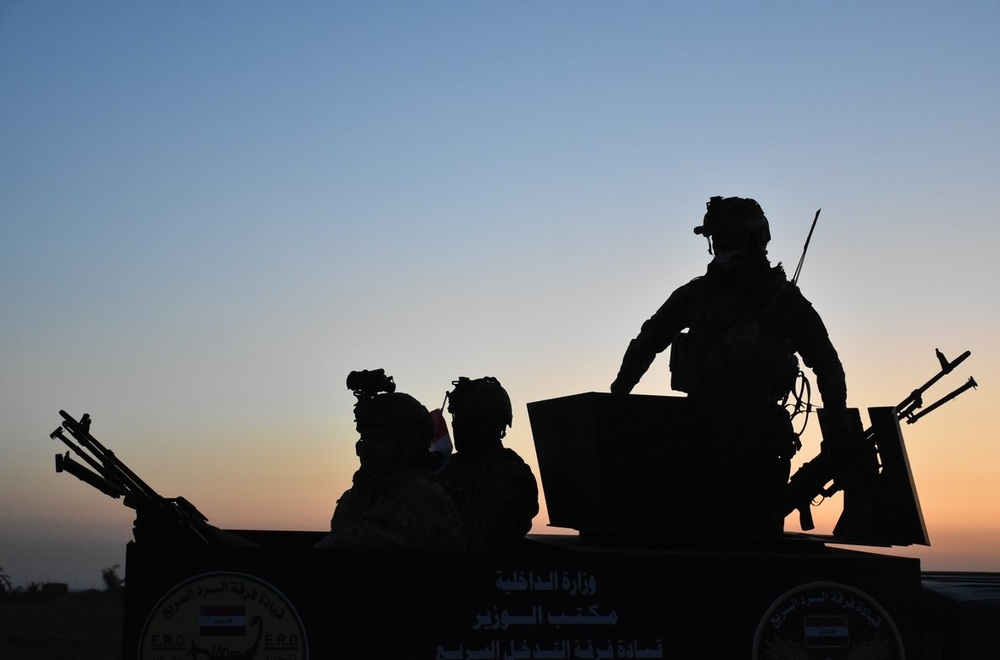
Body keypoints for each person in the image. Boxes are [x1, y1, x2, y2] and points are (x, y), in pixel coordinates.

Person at [609, 196, 849, 534]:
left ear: (755, 240)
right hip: (698, 433)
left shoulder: (783, 302)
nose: (724, 248)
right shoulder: (695, 296)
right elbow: (648, 341)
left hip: (758, 438)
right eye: (718, 240)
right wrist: (618, 398)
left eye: (732, 240)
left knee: (754, 538)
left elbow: (828, 365)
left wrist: (836, 428)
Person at [316, 373, 467, 550]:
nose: (367, 447)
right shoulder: (378, 489)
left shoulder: (417, 497)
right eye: (365, 438)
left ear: (408, 444)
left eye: (379, 438)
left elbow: (345, 546)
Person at [440, 376, 539, 550]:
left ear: (489, 423)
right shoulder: (449, 465)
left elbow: (482, 536)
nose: (457, 425)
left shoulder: (509, 474)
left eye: (467, 420)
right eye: (457, 417)